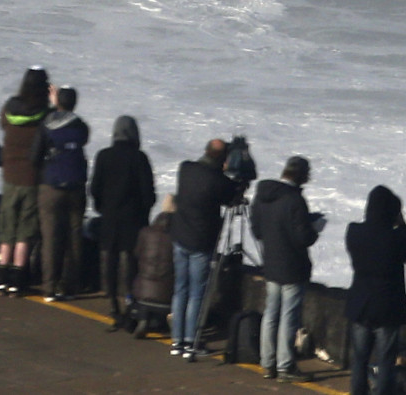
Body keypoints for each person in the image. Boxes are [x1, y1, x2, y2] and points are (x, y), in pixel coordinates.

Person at [168, 138, 250, 358]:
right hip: (200, 244)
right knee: (197, 294)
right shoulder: (218, 181)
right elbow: (232, 196)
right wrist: (240, 180)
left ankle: (177, 341)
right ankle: (191, 342)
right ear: (224, 159)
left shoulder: (186, 169)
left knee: (180, 289)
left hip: (180, 237)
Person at [346, 187, 406, 395]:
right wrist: (403, 226)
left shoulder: (354, 231)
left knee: (360, 359)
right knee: (386, 360)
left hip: (361, 304)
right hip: (388, 307)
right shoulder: (396, 237)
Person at [251, 156, 320, 380]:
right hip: (292, 266)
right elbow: (304, 238)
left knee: (270, 314)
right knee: (288, 317)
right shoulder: (295, 200)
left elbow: (257, 231)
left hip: (271, 262)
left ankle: (267, 363)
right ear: (301, 175)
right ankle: (285, 365)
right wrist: (315, 228)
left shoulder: (262, 195)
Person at [91, 114, 155, 316]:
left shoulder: (103, 155)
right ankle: (130, 300)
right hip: (133, 219)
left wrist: (102, 208)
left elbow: (95, 188)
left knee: (109, 258)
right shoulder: (140, 158)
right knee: (131, 261)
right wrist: (144, 213)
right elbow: (148, 193)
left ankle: (111, 301)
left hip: (109, 216)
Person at [0, 67, 50, 294]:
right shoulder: (45, 114)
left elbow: (2, 124)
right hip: (31, 176)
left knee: (8, 224)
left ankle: (1, 276)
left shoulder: (9, 108)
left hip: (9, 173)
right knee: (25, 228)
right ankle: (17, 278)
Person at [37, 85, 91, 299]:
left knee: (51, 238)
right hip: (76, 186)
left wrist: (54, 105)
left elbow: (35, 154)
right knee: (74, 236)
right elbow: (76, 133)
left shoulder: (47, 125)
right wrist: (60, 104)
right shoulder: (82, 127)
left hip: (51, 186)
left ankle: (49, 288)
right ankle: (69, 287)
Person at [119, 197, 177, 337]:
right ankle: (174, 322)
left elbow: (137, 254)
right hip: (168, 294)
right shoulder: (178, 237)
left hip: (141, 292)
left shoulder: (145, 232)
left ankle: (143, 318)